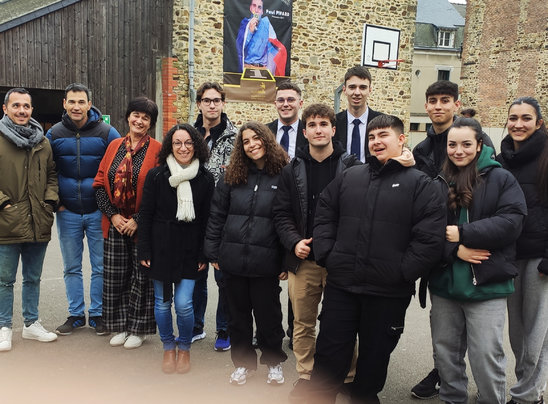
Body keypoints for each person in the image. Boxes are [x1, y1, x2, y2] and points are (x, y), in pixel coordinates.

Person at [309, 115, 446, 403]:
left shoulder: (421, 184)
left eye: (383, 135)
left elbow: (429, 238)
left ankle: (364, 396)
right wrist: (328, 255)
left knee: (374, 357)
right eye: (372, 137)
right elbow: (325, 212)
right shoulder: (350, 176)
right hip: (342, 286)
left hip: (388, 292)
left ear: (401, 139)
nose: (376, 142)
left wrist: (402, 272)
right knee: (329, 352)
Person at [428, 117, 526, 404]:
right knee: (445, 352)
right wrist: (454, 250)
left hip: (487, 284)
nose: (459, 150)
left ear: (480, 144)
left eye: (466, 144)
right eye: (452, 144)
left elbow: (512, 222)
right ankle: (452, 398)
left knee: (486, 354)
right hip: (445, 282)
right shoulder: (438, 181)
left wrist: (463, 234)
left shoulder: (502, 178)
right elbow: (425, 229)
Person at [411, 80, 495, 399]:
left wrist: (466, 236)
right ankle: (443, 374)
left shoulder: (476, 141)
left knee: (475, 328)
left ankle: (480, 383)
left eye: (445, 100)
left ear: (456, 105)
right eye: (432, 100)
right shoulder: (421, 151)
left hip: (471, 240)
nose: (437, 106)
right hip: (439, 245)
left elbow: (488, 195)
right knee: (443, 324)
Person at [272, 103, 360, 401]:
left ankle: (346, 376)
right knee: (303, 323)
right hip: (303, 259)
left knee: (343, 325)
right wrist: (293, 241)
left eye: (324, 124)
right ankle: (307, 375)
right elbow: (281, 214)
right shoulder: (292, 169)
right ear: (305, 131)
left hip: (340, 261)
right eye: (312, 125)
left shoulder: (352, 166)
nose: (318, 129)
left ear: (333, 130)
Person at [204, 121, 289, 386]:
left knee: (269, 318)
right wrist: (213, 251)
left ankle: (273, 362)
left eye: (256, 139)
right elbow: (217, 215)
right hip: (232, 260)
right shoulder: (233, 176)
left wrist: (286, 259)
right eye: (246, 142)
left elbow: (289, 220)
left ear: (267, 139)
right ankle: (243, 364)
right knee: (237, 318)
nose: (252, 145)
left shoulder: (284, 175)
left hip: (266, 263)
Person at [138, 124, 214, 374]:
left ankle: (184, 349)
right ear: (170, 146)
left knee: (183, 304)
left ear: (196, 146)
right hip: (161, 247)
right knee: (161, 304)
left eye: (188, 143)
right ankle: (168, 348)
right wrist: (144, 250)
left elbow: (207, 219)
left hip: (190, 249)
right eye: (178, 143)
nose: (183, 148)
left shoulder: (205, 178)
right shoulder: (156, 175)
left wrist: (205, 252)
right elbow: (146, 215)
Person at [46, 83, 120, 336]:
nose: (76, 107)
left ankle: (98, 314)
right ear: (64, 104)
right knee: (71, 267)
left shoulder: (107, 132)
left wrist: (109, 206)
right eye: (71, 102)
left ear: (90, 104)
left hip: (98, 211)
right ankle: (76, 314)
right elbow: (47, 170)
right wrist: (58, 202)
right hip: (67, 212)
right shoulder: (54, 134)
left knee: (100, 266)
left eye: (81, 102)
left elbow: (120, 168)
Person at [93, 96, 162, 349]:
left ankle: (138, 329)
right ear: (128, 117)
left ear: (151, 123)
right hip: (115, 222)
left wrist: (138, 220)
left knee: (141, 278)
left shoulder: (157, 149)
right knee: (115, 276)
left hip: (142, 225)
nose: (139, 120)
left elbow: (160, 192)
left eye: (146, 117)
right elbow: (100, 184)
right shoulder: (113, 146)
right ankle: (120, 325)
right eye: (136, 115)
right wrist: (113, 215)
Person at [497, 97, 548, 404]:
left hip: (539, 256)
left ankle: (528, 395)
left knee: (536, 332)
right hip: (510, 253)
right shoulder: (502, 158)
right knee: (517, 332)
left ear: (538, 123)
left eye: (526, 118)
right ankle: (529, 387)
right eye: (513, 117)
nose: (518, 124)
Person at [0, 88, 59, 351]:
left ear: (32, 110)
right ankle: (3, 327)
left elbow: (52, 175)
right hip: (7, 221)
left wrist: (49, 202)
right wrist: (5, 204)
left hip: (38, 220)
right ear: (5, 109)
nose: (22, 110)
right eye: (16, 106)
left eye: (26, 106)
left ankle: (31, 324)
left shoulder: (42, 142)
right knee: (4, 280)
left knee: (33, 277)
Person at [192, 81, 236, 352]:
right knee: (195, 274)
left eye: (216, 100)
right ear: (199, 104)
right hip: (192, 217)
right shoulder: (186, 134)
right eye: (206, 100)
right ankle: (196, 325)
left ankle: (224, 328)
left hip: (223, 218)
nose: (211, 105)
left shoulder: (236, 136)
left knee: (224, 279)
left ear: (223, 103)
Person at [333, 65, 383, 163]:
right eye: (352, 87)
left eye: (362, 87)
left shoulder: (382, 122)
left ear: (370, 90)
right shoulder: (334, 122)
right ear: (344, 90)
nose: (357, 92)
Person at [236, 0, 287, 75]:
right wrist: (250, 31)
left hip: (263, 69)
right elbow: (239, 47)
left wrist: (269, 69)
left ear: (262, 11)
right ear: (250, 8)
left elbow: (274, 46)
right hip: (247, 67)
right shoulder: (245, 24)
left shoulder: (266, 24)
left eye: (259, 7)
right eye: (254, 6)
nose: (256, 10)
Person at [267, 82, 306, 160]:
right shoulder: (265, 131)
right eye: (281, 100)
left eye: (290, 100)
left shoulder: (308, 132)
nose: (285, 104)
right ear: (275, 104)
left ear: (300, 104)